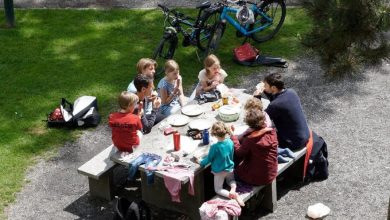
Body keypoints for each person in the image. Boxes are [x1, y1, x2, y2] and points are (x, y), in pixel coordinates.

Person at [195, 121, 245, 207]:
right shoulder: (230, 142)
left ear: (214, 134)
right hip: (230, 167)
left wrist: (199, 161)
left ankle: (232, 195)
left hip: (219, 171)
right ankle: (233, 188)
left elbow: (208, 160)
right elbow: (232, 153)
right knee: (231, 181)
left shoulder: (215, 147)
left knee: (218, 189)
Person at [257, 73, 310, 150]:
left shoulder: (275, 105)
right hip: (305, 136)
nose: (264, 87)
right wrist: (265, 91)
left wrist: (257, 96)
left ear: (273, 88)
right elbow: (276, 98)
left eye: (265, 86)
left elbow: (258, 119)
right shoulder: (291, 92)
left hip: (293, 143)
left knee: (259, 136)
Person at [231, 109, 278, 186]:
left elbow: (239, 153)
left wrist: (233, 137)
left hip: (257, 178)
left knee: (233, 171)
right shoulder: (272, 132)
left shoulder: (250, 139)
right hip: (271, 173)